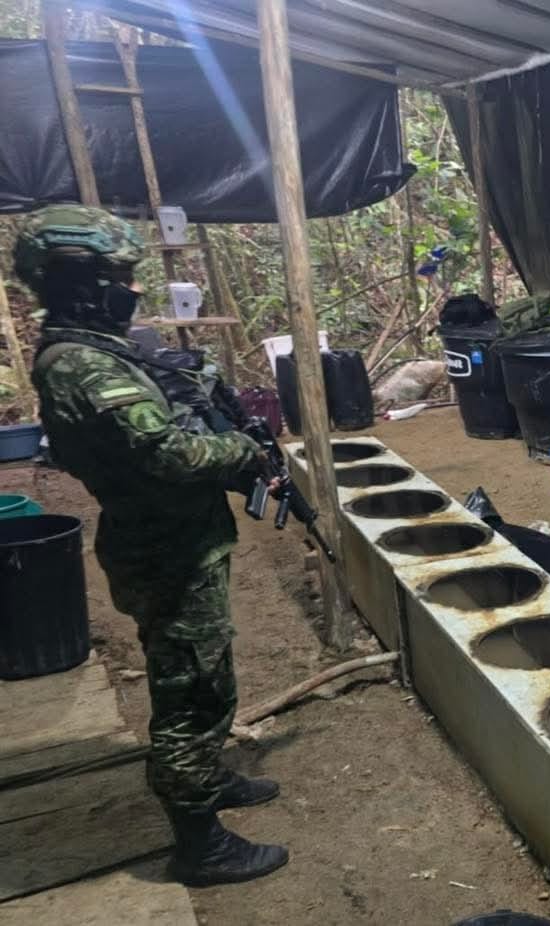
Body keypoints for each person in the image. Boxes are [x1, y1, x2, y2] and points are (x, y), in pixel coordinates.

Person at [13, 205, 289, 886]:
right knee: (186, 689)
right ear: (79, 281)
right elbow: (168, 454)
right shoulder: (83, 364)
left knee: (207, 670)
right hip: (164, 549)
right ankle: (200, 845)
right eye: (121, 277)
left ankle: (209, 776)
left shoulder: (98, 350)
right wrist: (241, 451)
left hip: (178, 538)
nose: (133, 290)